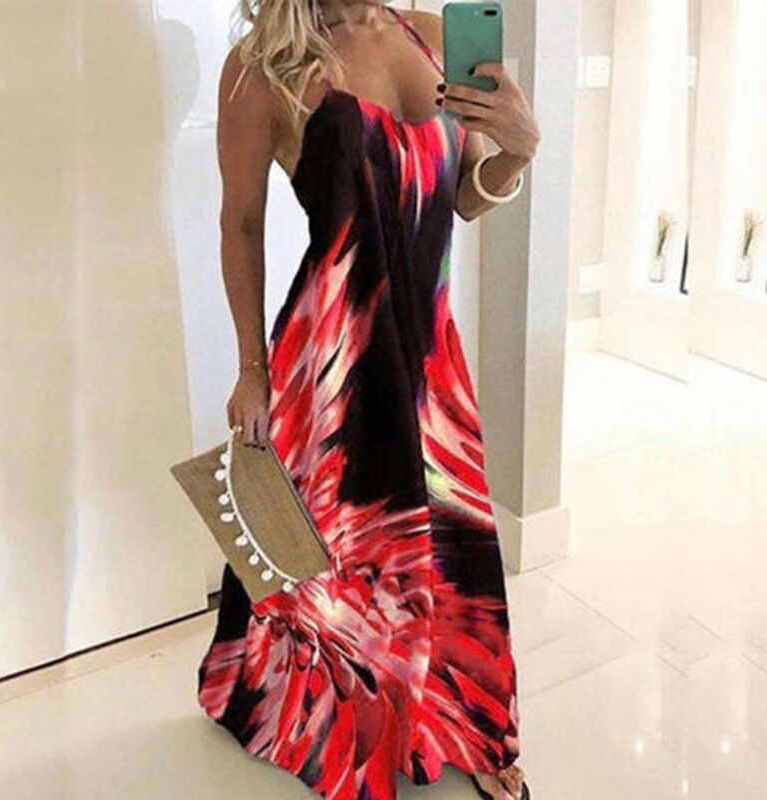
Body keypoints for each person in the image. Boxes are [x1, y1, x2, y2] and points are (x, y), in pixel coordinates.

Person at [197, 2, 541, 799]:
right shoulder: (264, 63)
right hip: (334, 353)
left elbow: (464, 197)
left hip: (428, 348)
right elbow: (240, 223)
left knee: (451, 542)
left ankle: (467, 719)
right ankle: (356, 733)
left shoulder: (439, 35)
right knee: (348, 562)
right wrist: (251, 369)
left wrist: (519, 154)